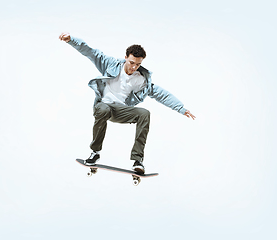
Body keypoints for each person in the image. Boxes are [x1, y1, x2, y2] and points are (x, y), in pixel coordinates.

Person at [59, 32, 195, 174]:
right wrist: (71, 40)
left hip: (120, 111)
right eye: (131, 63)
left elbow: (160, 93)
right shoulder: (110, 64)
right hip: (103, 106)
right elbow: (90, 52)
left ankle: (138, 160)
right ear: (125, 58)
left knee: (144, 113)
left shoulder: (140, 80)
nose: (134, 67)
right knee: (104, 109)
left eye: (138, 64)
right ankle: (95, 152)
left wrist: (181, 108)